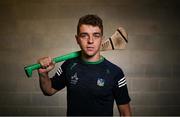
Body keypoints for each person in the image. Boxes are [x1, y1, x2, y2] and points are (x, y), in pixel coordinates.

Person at [37, 14, 131, 116]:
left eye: (96, 35)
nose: (90, 41)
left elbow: (126, 113)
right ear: (77, 39)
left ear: (102, 39)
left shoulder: (115, 72)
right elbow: (49, 90)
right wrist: (43, 74)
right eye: (84, 35)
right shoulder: (69, 65)